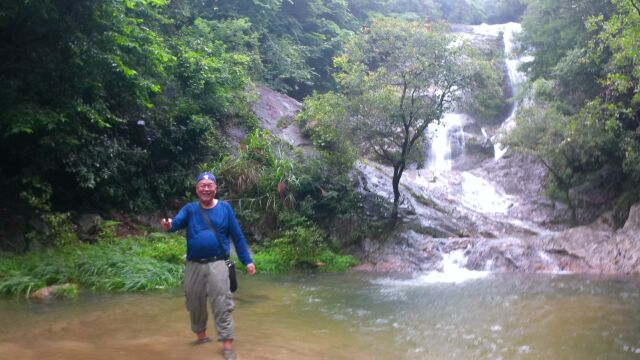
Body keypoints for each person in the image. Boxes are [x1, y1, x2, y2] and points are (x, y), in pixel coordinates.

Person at [160, 171, 256, 360]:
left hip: (218, 263)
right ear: (197, 189)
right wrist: (168, 224)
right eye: (202, 185)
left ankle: (227, 346)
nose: (205, 188)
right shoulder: (189, 209)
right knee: (193, 302)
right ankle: (202, 337)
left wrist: (247, 260)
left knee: (222, 303)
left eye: (209, 185)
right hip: (193, 265)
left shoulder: (225, 209)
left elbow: (237, 236)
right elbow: (176, 223)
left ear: (215, 188)